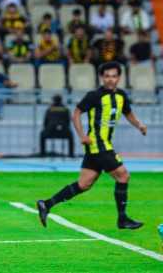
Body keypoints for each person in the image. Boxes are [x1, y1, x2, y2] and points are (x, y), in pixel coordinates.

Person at [37, 62, 147, 230]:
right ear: (102, 77)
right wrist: (82, 135)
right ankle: (122, 219)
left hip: (102, 145)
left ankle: (46, 204)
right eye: (107, 76)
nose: (111, 79)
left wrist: (139, 125)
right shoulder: (94, 96)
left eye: (114, 76)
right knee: (123, 176)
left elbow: (128, 113)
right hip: (98, 144)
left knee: (84, 184)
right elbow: (76, 113)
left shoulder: (121, 96)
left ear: (119, 77)